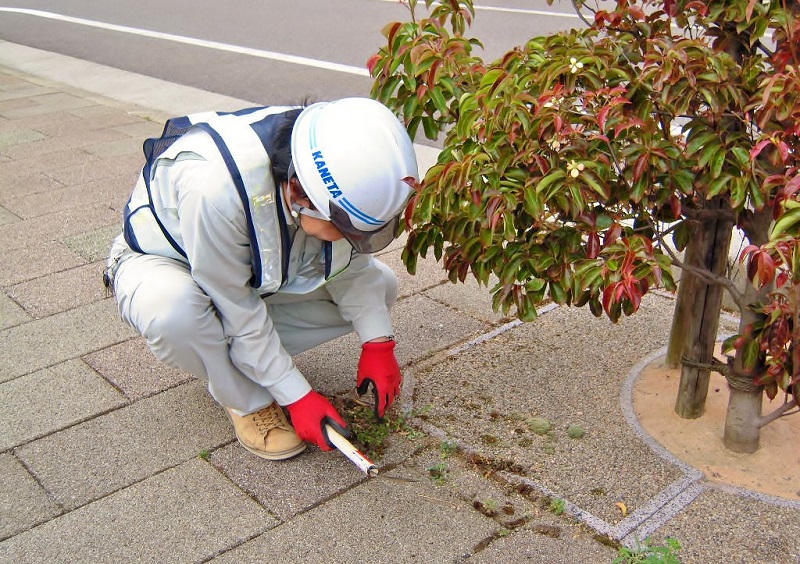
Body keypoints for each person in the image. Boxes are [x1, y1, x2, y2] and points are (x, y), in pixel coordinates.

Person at [105, 97, 418, 460]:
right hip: (163, 262)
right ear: (300, 192)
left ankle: (237, 359)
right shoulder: (215, 189)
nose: (356, 240)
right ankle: (247, 401)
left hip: (244, 269)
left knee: (383, 288)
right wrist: (296, 396)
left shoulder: (329, 158)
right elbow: (234, 306)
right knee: (176, 314)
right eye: (346, 228)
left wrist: (378, 344)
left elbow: (350, 266)